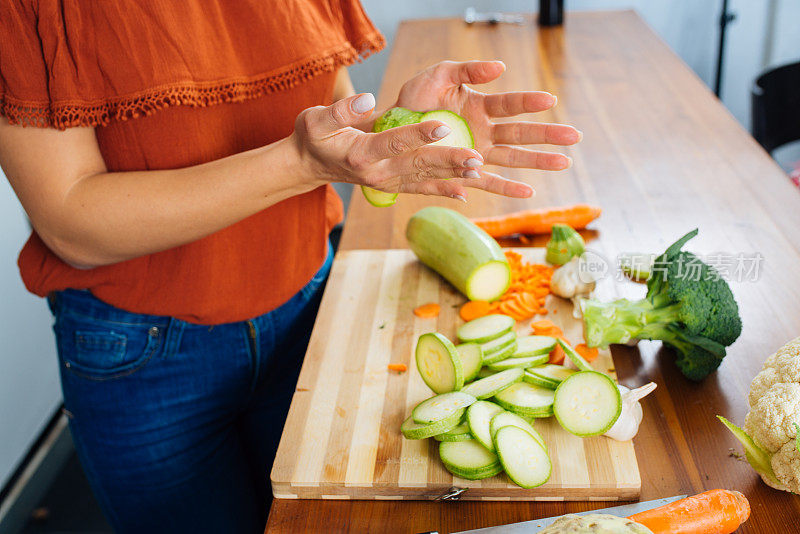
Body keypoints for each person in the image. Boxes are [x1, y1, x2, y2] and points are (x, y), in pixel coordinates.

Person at [0, 1, 580, 532]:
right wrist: (299, 163)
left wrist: (396, 133)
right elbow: (70, 224)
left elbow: (329, 119)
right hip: (143, 352)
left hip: (309, 307)